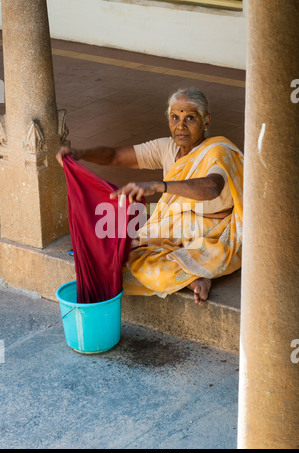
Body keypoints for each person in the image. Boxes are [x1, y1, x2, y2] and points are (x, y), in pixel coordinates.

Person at [56, 87, 243, 305]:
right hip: (175, 228)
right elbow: (117, 156)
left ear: (206, 121)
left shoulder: (218, 152)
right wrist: (80, 154)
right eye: (175, 117)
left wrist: (158, 186)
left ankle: (198, 276)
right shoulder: (167, 147)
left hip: (215, 235)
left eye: (190, 118)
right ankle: (194, 278)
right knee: (122, 254)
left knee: (153, 270)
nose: (180, 126)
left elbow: (211, 187)